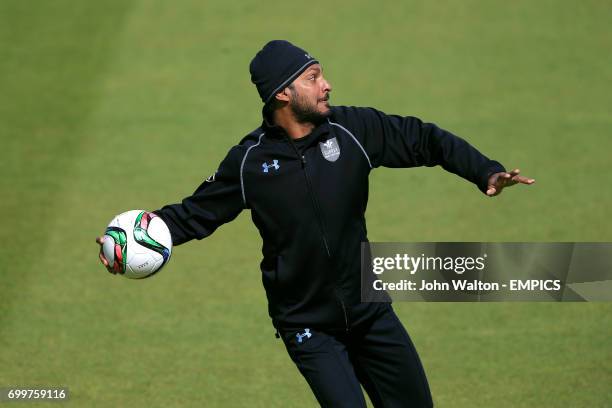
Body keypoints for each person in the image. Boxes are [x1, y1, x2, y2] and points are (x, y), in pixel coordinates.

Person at [96, 40, 534, 407]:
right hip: (307, 325)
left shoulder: (353, 130)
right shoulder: (249, 162)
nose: (326, 85)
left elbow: (423, 138)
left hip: (369, 311)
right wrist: (126, 240)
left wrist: (484, 170)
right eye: (313, 77)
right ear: (283, 94)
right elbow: (196, 214)